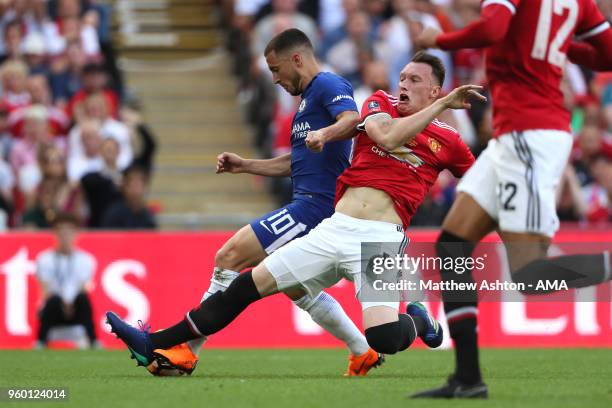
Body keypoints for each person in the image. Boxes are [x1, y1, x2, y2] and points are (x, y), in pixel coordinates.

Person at [105, 52, 485, 376]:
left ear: (435, 90)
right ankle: (154, 342)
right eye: (402, 76)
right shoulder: (379, 103)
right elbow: (386, 137)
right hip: (336, 228)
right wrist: (441, 105)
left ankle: (418, 320)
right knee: (246, 286)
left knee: (383, 337)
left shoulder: (450, 142)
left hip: (381, 242)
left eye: (415, 80)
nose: (403, 83)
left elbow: (480, 185)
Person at [146, 28, 382, 378]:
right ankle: (362, 352)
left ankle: (186, 351)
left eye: (276, 69)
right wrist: (246, 165)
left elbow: (351, 120)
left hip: (315, 208)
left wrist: (325, 133)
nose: (274, 79)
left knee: (229, 256)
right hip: (313, 203)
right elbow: (296, 163)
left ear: (297, 59)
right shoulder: (307, 101)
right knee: (297, 289)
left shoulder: (329, 85)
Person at [412, 0, 612, 398]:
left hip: (529, 136)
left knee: (529, 275)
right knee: (452, 244)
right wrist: (559, 47)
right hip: (514, 137)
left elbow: (493, 29)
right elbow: (607, 53)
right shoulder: (580, 3)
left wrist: (440, 38)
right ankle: (468, 379)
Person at [35, 212, 98, 348]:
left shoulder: (86, 260)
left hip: (74, 309)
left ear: (76, 233)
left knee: (83, 299)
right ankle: (40, 341)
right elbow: (45, 290)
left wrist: (69, 305)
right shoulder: (44, 258)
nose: (65, 235)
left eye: (69, 231)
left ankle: (94, 341)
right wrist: (62, 304)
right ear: (55, 233)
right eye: (61, 231)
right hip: (55, 309)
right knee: (53, 301)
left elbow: (83, 287)